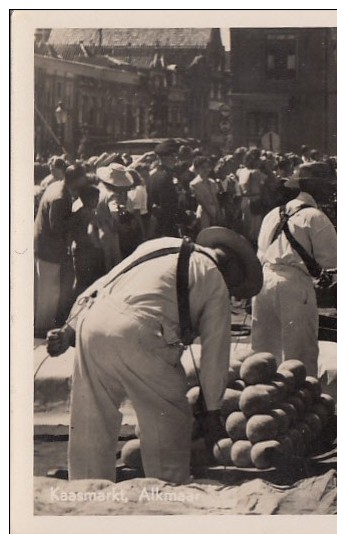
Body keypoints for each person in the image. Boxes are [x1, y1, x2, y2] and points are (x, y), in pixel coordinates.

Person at [46, 227, 263, 484]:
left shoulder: (160, 244)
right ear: (231, 265)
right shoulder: (215, 279)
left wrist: (69, 329)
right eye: (236, 284)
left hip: (93, 322)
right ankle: (167, 490)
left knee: (91, 414)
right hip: (141, 333)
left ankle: (87, 489)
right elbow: (214, 353)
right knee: (169, 418)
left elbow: (104, 282)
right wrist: (212, 410)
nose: (234, 291)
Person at [252, 162, 337, 376]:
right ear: (314, 187)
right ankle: (302, 403)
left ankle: (265, 403)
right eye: (327, 186)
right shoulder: (315, 217)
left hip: (264, 283)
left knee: (263, 356)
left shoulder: (273, 214)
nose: (330, 191)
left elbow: (260, 253)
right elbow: (332, 261)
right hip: (294, 287)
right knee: (300, 355)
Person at [34, 164, 87, 336]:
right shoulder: (60, 197)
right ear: (76, 180)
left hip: (47, 246)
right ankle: (43, 328)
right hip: (48, 248)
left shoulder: (57, 185)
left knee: (49, 288)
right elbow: (56, 226)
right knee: (49, 290)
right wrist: (78, 215)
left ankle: (46, 324)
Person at [69, 184, 106, 296]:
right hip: (88, 251)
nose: (97, 200)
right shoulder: (89, 215)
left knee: (82, 281)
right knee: (88, 282)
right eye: (95, 198)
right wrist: (99, 246)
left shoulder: (78, 212)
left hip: (80, 250)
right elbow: (91, 233)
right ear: (89, 199)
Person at [147, 139, 184, 238]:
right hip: (165, 225)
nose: (175, 159)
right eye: (171, 156)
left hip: (161, 222)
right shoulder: (164, 176)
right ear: (162, 158)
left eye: (175, 156)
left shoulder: (155, 174)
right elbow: (167, 205)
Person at [190, 155, 221, 231]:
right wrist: (212, 216)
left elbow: (215, 198)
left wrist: (218, 213)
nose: (206, 170)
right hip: (204, 212)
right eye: (203, 167)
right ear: (197, 169)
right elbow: (202, 202)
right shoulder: (195, 184)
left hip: (214, 210)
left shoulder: (212, 182)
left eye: (207, 167)